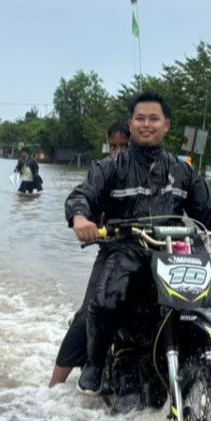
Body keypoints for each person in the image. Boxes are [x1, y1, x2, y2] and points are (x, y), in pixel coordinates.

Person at [65, 92, 211, 393]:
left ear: (166, 125)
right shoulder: (110, 168)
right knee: (103, 304)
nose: (146, 124)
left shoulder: (183, 171)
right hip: (125, 248)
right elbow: (82, 197)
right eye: (140, 118)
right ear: (130, 124)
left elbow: (210, 211)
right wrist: (81, 219)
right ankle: (96, 362)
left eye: (153, 118)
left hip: (174, 253)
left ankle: (196, 363)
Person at [49, 122, 131, 387]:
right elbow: (82, 195)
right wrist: (82, 219)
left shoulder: (159, 171)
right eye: (114, 146)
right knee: (89, 314)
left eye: (124, 146)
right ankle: (53, 387)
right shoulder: (103, 171)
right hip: (114, 252)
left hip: (153, 254)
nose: (118, 152)